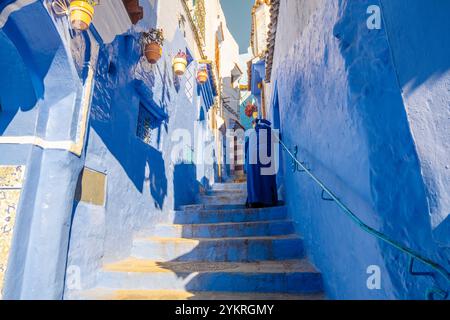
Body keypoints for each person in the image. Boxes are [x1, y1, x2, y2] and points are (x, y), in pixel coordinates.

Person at [245, 119, 278, 208]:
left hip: (253, 161)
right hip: (266, 158)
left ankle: (254, 199)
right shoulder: (269, 133)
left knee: (254, 179)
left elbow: (246, 148)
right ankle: (268, 199)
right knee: (266, 179)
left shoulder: (252, 134)